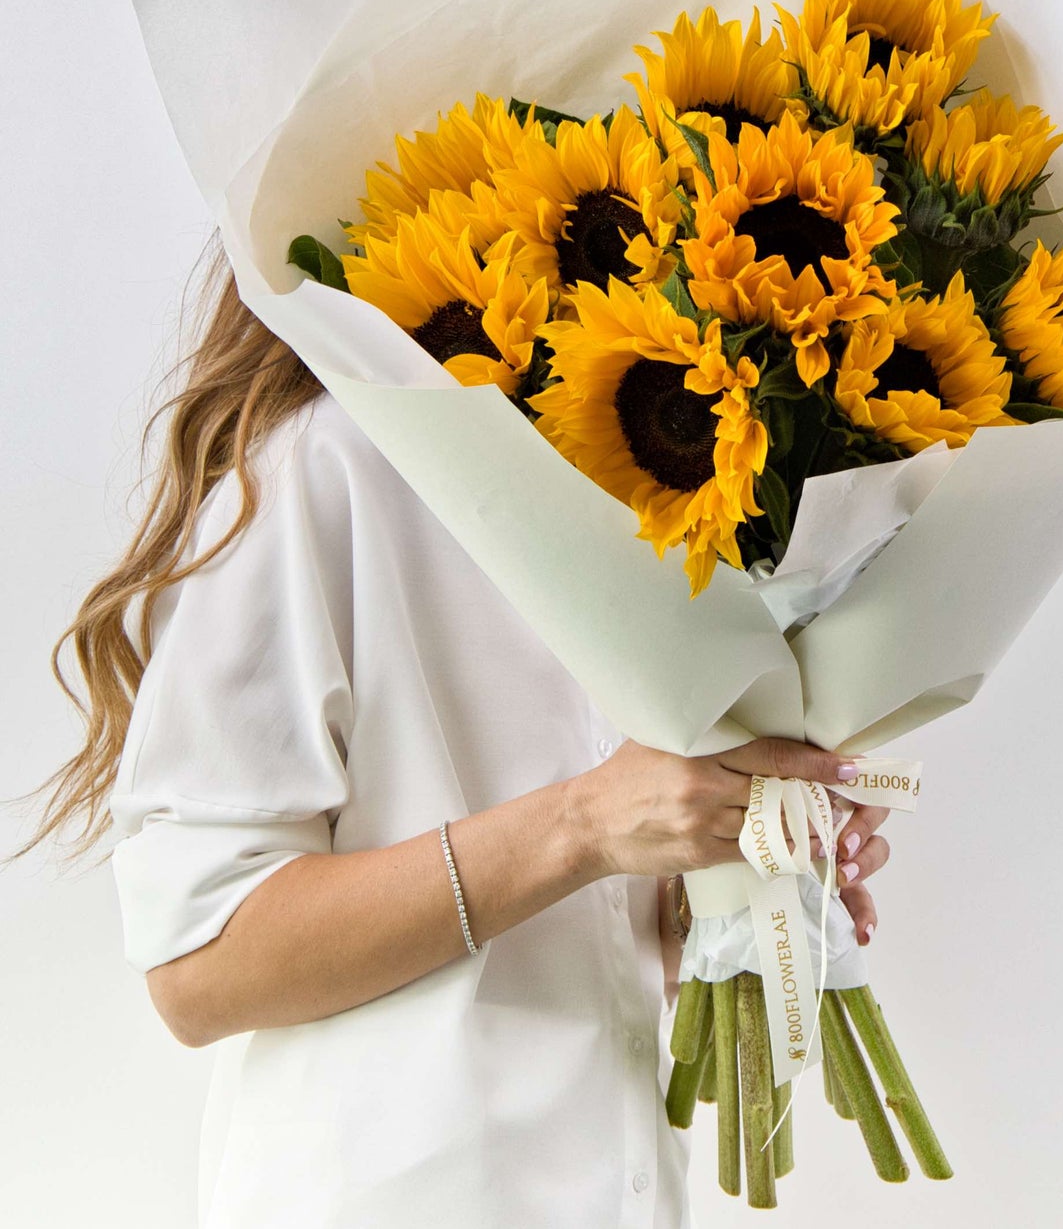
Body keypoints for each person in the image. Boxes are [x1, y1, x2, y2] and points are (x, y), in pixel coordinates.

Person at [12, 240, 894, 1229]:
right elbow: (200, 966)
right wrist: (587, 827)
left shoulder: (648, 475)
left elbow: (609, 912)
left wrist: (737, 866)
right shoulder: (327, 465)